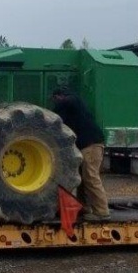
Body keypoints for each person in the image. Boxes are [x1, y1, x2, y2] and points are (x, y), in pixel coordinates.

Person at [52, 87, 110, 221]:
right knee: (82, 178)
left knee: (91, 177)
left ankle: (102, 211)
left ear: (59, 96)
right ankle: (85, 207)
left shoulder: (72, 101)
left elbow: (68, 102)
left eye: (55, 99)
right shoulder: (73, 108)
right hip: (86, 145)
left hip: (92, 145)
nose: (55, 102)